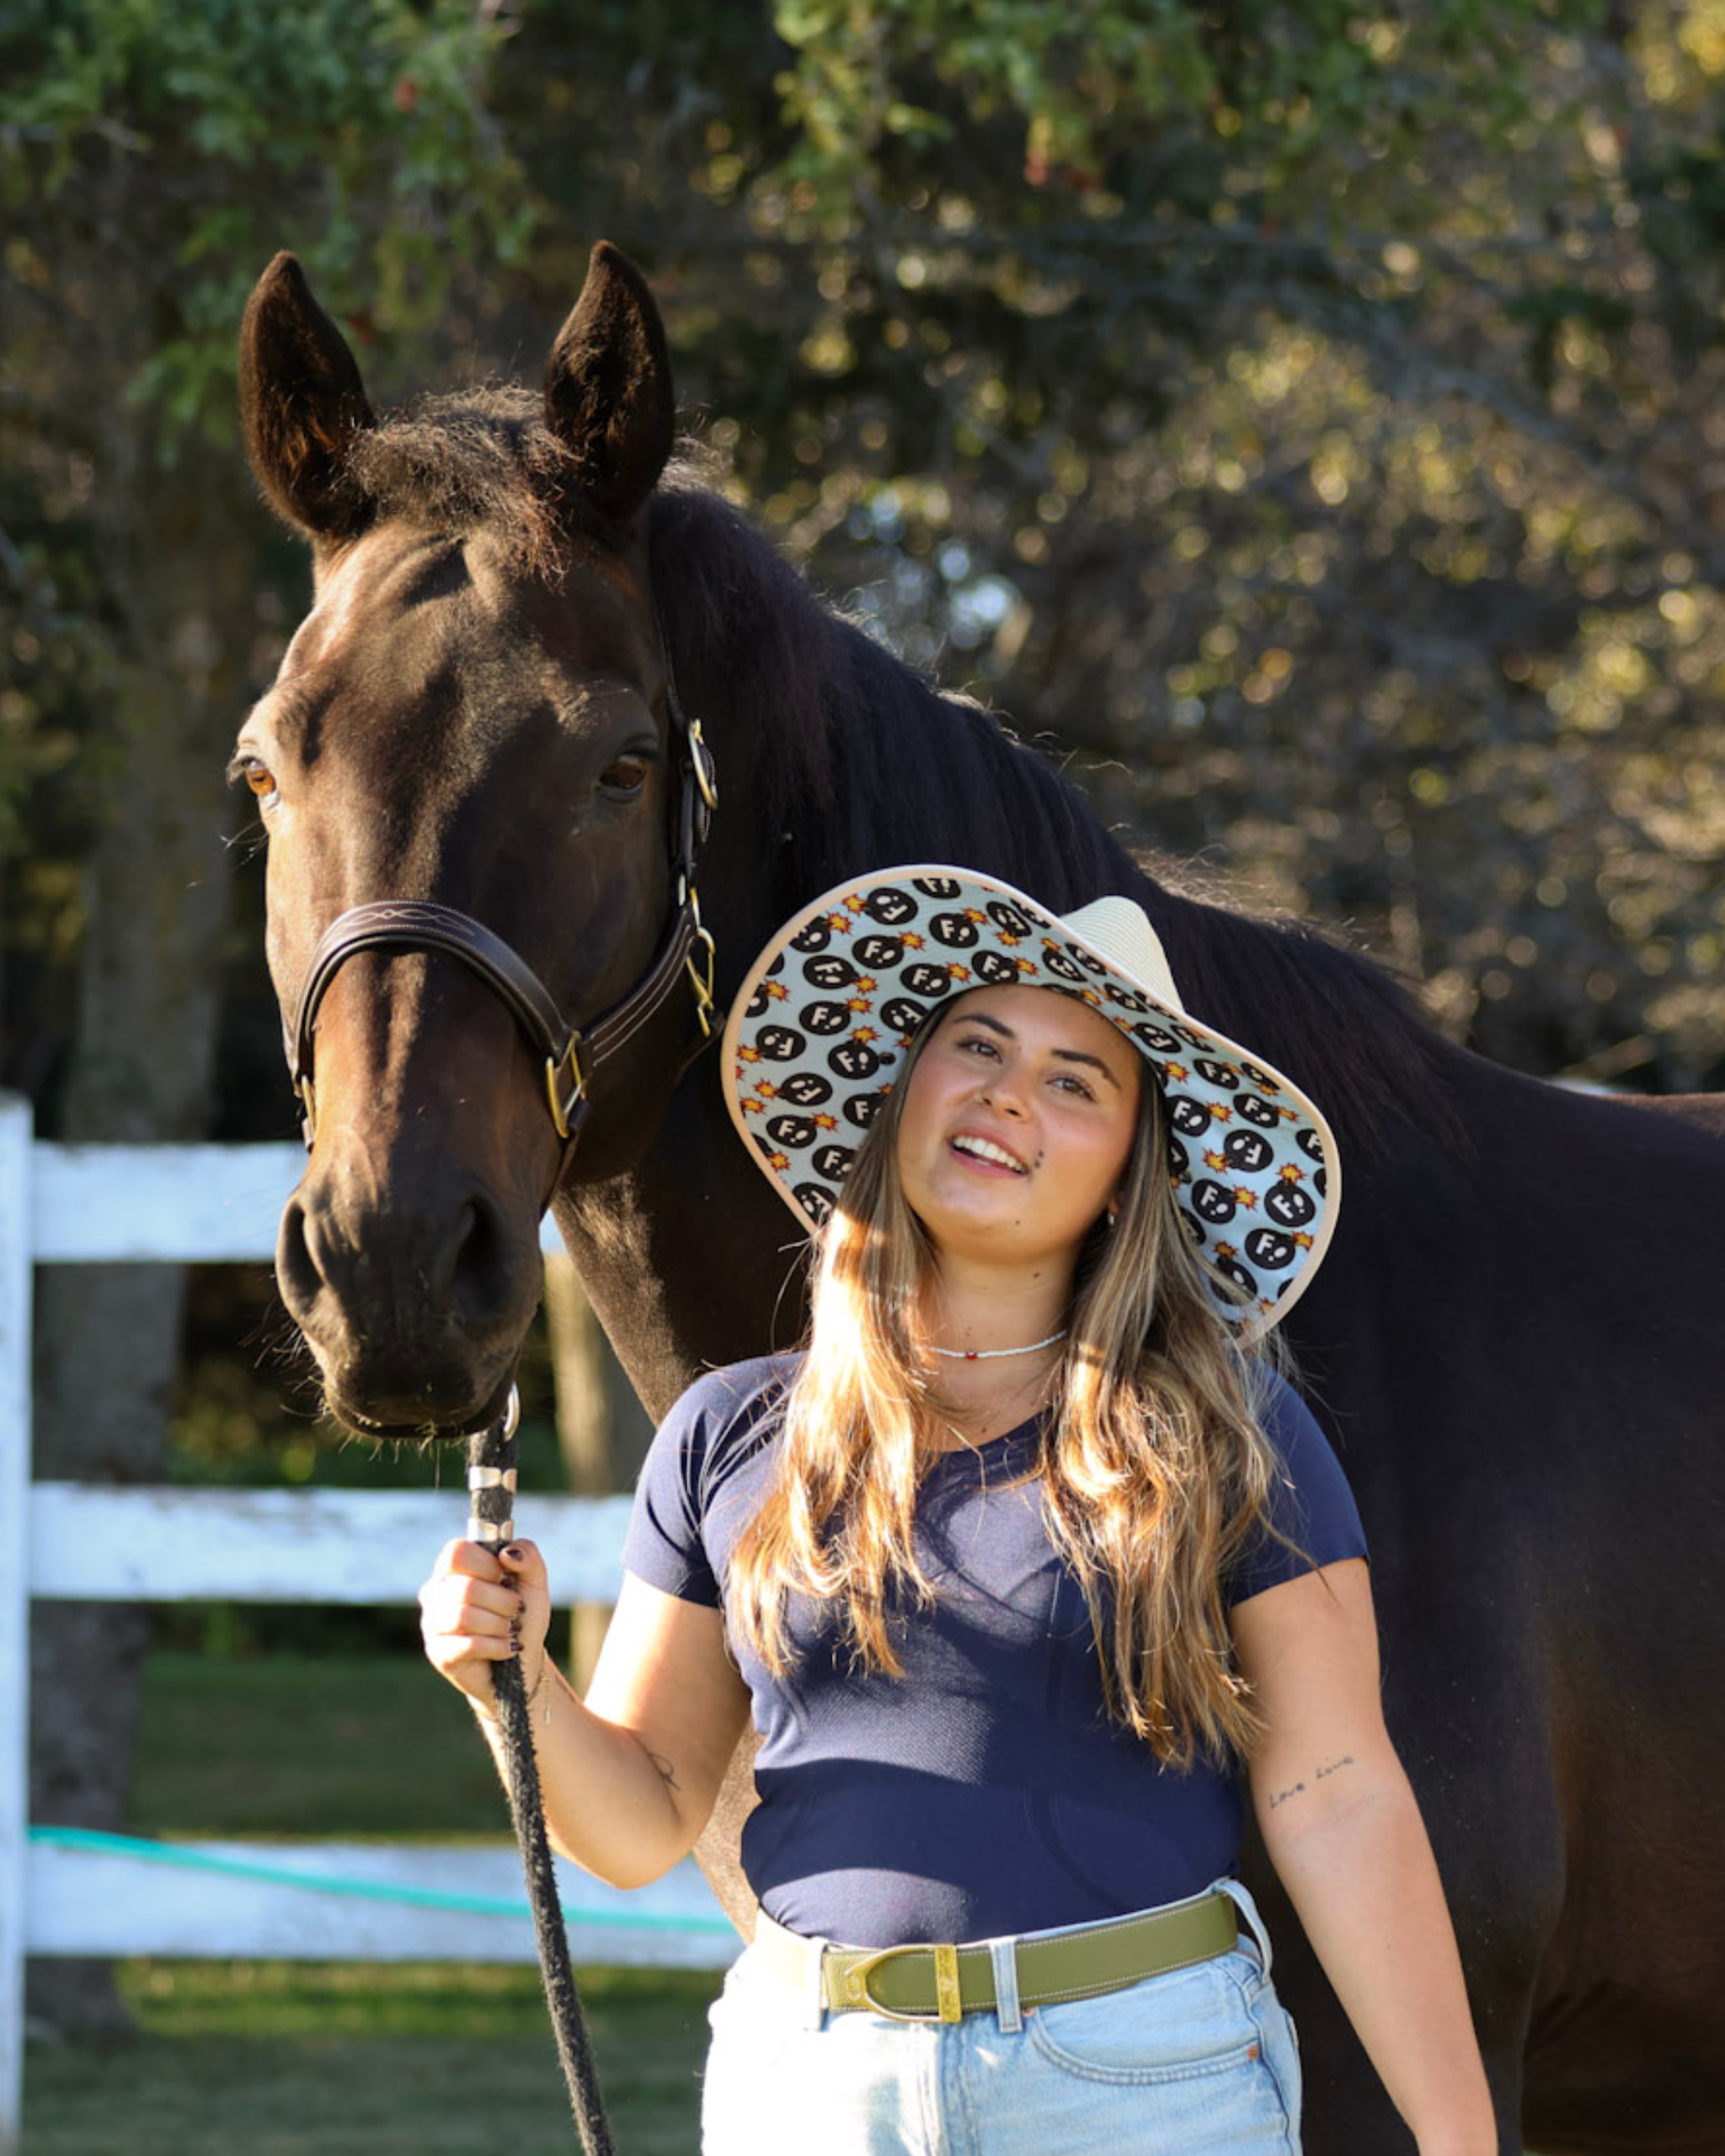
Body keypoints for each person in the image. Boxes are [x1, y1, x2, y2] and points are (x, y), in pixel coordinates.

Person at [420, 867, 1496, 2153]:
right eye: (976, 1046)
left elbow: (1336, 1790)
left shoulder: (1226, 1433)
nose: (1006, 1094)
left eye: (1074, 1081)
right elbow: (642, 1817)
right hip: (808, 2084)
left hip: (1138, 2082)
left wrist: (1458, 2136)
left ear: (1126, 1174)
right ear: (903, 1092)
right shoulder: (730, 1430)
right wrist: (513, 1682)